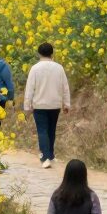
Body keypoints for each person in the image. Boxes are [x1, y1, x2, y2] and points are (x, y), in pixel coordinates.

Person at [23, 42, 71, 170]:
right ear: (52, 53)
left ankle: (45, 157)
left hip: (39, 104)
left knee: (42, 130)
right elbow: (65, 87)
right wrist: (66, 103)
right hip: (55, 104)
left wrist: (27, 106)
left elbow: (30, 89)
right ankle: (50, 154)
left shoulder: (35, 68)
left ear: (39, 53)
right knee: (51, 129)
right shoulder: (59, 68)